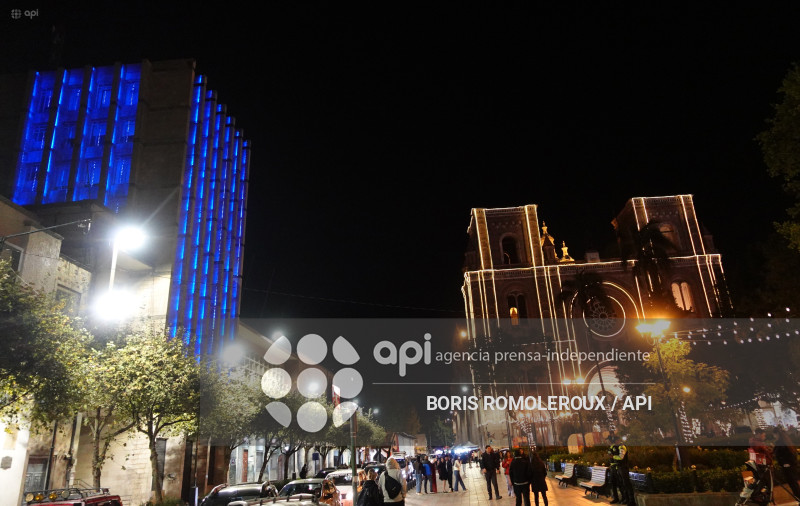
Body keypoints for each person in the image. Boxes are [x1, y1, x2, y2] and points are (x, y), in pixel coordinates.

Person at [774, 428, 800, 500]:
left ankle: (798, 496)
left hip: (788, 467)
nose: (774, 436)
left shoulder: (781, 443)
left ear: (777, 434)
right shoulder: (785, 441)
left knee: (793, 483)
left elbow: (786, 454)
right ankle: (798, 497)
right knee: (793, 483)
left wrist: (786, 463)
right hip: (789, 466)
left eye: (775, 434)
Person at [608, 435, 635, 506]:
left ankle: (632, 501)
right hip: (619, 467)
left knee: (626, 484)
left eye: (616, 441)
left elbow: (621, 457)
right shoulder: (616, 447)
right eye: (614, 441)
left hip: (623, 467)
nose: (615, 443)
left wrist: (613, 456)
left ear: (619, 440)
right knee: (622, 484)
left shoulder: (622, 447)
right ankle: (626, 499)